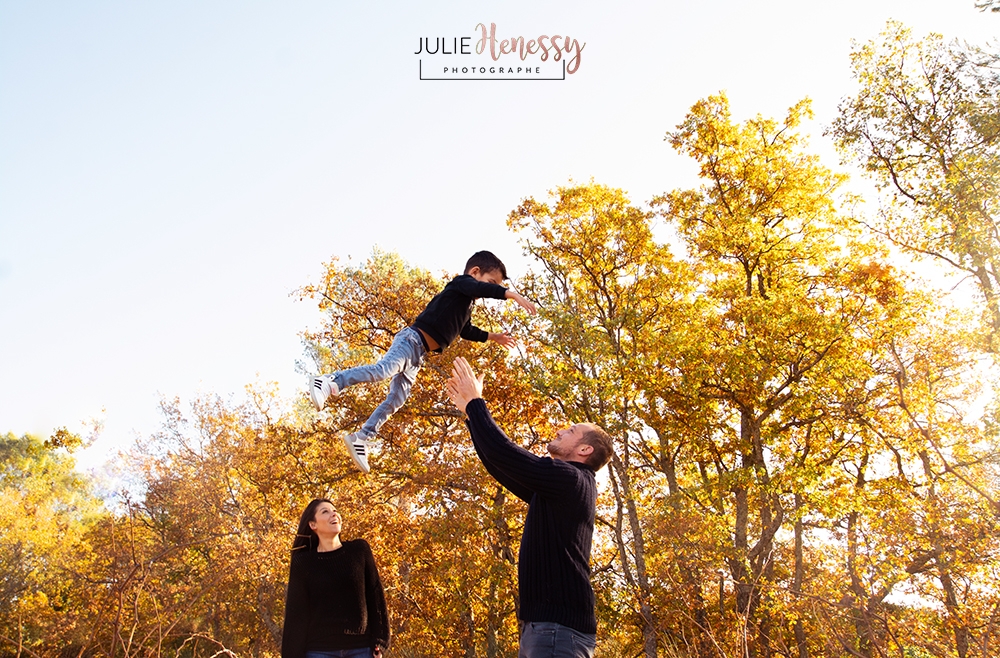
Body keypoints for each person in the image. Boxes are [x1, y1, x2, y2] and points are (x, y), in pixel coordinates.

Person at [445, 357, 613, 658]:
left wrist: (476, 403)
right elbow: (501, 465)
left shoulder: (570, 479)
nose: (561, 431)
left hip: (556, 630)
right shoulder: (561, 487)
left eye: (571, 431)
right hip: (547, 629)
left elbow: (505, 453)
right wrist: (471, 418)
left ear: (584, 450)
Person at [310, 250, 537, 473]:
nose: (492, 289)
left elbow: (466, 330)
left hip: (418, 353)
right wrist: (510, 294)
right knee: (382, 370)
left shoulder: (466, 305)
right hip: (411, 340)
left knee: (397, 398)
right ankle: (330, 381)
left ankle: (362, 437)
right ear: (475, 272)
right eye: (491, 283)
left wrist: (492, 336)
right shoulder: (462, 284)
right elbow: (479, 288)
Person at [281, 498, 390, 658]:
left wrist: (380, 641)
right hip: (318, 651)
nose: (334, 514)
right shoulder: (303, 563)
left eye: (335, 511)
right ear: (313, 525)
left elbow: (376, 598)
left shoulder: (359, 551)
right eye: (325, 511)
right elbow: (296, 615)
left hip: (361, 649)